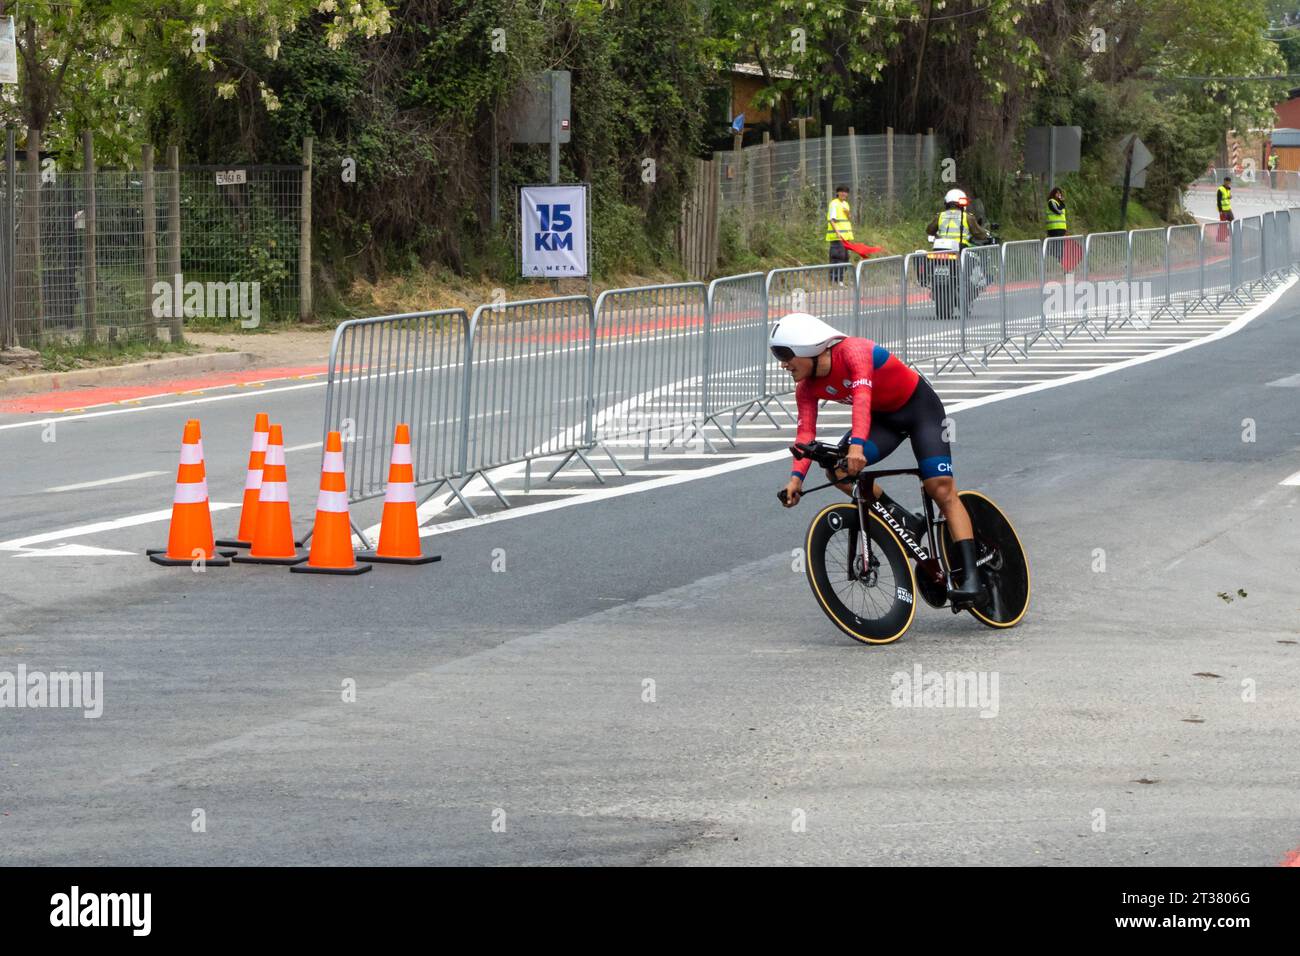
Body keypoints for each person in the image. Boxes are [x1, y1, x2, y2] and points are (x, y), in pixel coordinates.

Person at [772, 311, 984, 602]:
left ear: (808, 347)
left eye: (786, 356)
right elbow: (805, 435)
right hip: (883, 422)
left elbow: (861, 399)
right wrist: (795, 479)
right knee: (838, 470)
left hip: (920, 411)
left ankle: (973, 577)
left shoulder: (854, 351)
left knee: (940, 489)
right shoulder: (806, 388)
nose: (783, 365)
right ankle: (905, 520)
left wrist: (857, 446)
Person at [826, 184, 853, 282]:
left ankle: (840, 279)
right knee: (838, 258)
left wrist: (848, 213)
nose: (844, 194)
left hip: (845, 237)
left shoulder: (846, 204)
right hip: (837, 237)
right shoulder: (834, 203)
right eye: (841, 191)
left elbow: (848, 218)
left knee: (845, 258)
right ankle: (835, 280)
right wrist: (837, 232)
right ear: (837, 193)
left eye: (845, 192)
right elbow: (832, 220)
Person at [1216, 176, 1233, 243]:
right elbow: (1218, 200)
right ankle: (1220, 238)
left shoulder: (1228, 189)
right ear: (1225, 181)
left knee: (1232, 221)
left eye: (1229, 182)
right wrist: (1220, 211)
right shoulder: (1220, 189)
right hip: (1223, 210)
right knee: (1223, 224)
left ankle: (1227, 234)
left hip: (1228, 209)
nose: (1228, 183)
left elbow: (1227, 197)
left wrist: (1230, 197)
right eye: (1227, 182)